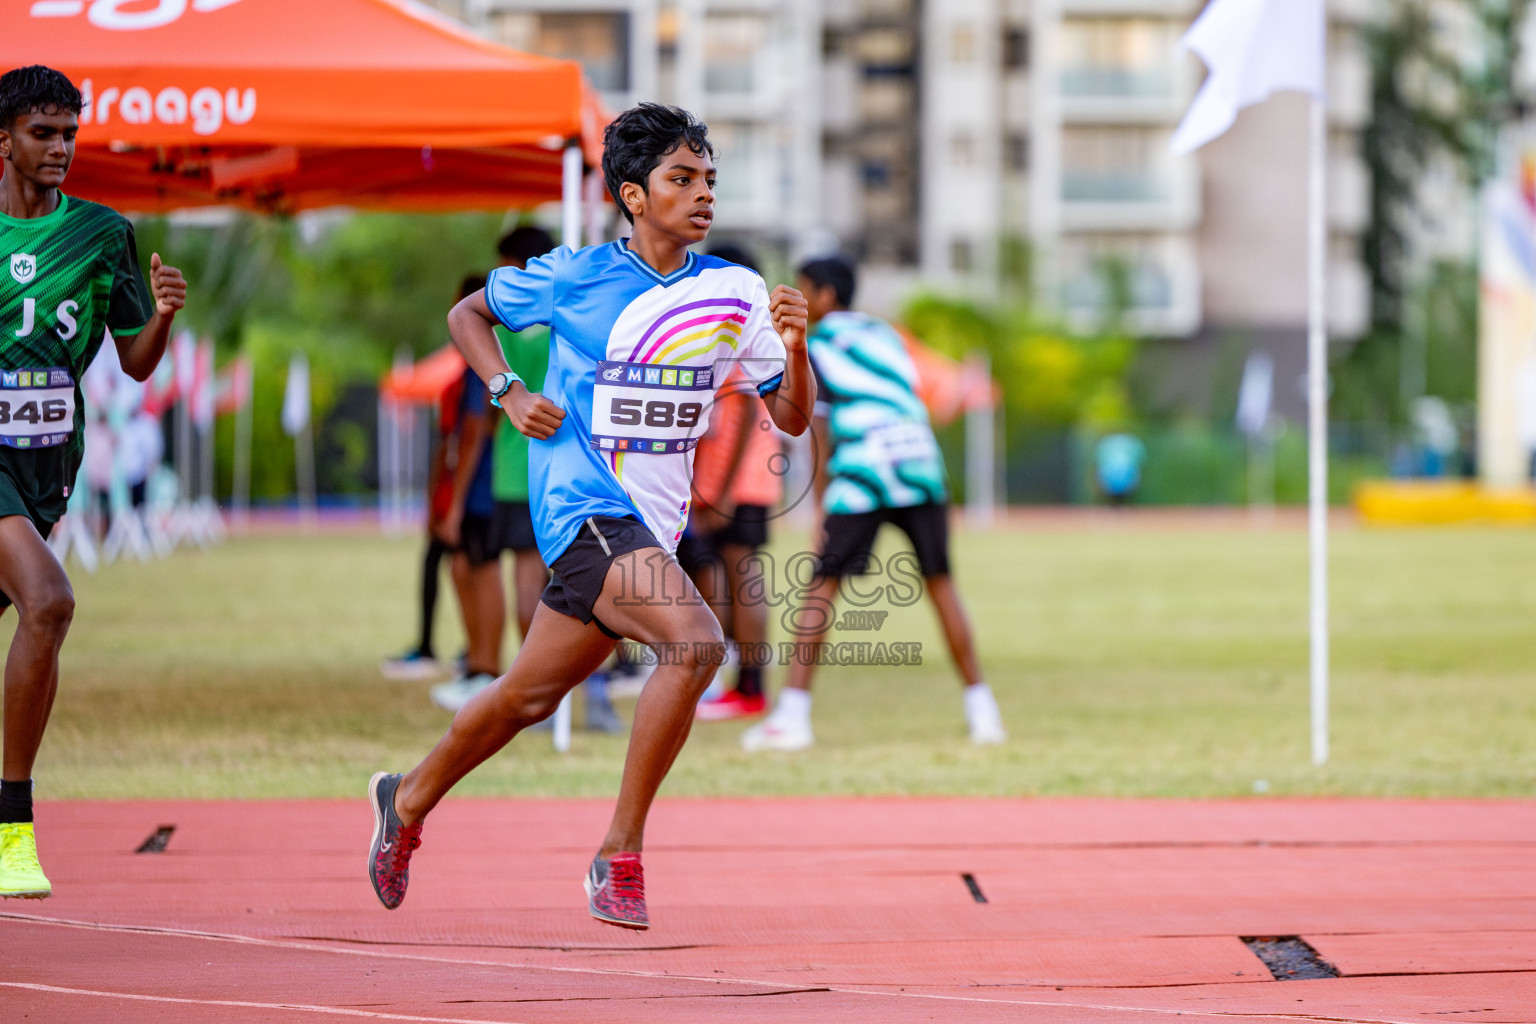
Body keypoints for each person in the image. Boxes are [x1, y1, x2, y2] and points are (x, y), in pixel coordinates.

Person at [366, 103, 813, 930]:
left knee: (525, 698)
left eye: (708, 179)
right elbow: (468, 316)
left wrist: (794, 347)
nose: (702, 194)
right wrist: (508, 392)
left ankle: (408, 798)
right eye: (681, 179)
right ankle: (620, 853)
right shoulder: (573, 275)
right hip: (581, 507)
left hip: (651, 527)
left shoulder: (735, 292)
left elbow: (788, 416)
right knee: (696, 642)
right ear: (633, 195)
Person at [0, 66, 187, 898]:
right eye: (43, 133)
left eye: (69, 133)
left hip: (48, 468)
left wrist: (166, 316)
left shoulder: (104, 234)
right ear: (3, 139)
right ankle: (13, 829)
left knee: (31, 609)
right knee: (50, 601)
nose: (61, 148)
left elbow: (135, 364)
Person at [741, 256, 1004, 753]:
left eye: (801, 292)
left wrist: (820, 510)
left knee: (821, 587)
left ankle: (793, 716)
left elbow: (816, 432)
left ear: (823, 297)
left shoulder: (813, 347)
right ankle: (982, 709)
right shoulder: (888, 335)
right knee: (942, 584)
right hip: (920, 462)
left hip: (864, 467)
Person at [677, 242, 780, 721]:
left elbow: (738, 415)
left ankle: (747, 686)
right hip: (738, 481)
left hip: (737, 482)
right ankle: (736, 681)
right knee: (728, 575)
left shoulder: (738, 329)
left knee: (739, 578)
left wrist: (715, 491)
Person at [427, 274, 505, 705]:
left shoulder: (484, 360)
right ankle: (477, 663)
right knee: (463, 569)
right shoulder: (475, 363)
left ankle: (487, 669)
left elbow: (476, 432)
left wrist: (454, 503)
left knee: (482, 570)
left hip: (483, 488)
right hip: (479, 486)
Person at [380, 361, 465, 680]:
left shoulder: (464, 386)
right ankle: (465, 651)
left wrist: (443, 501)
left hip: (465, 495)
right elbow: (448, 444)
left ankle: (472, 655)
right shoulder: (459, 386)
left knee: (465, 570)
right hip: (465, 493)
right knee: (453, 567)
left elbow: (452, 445)